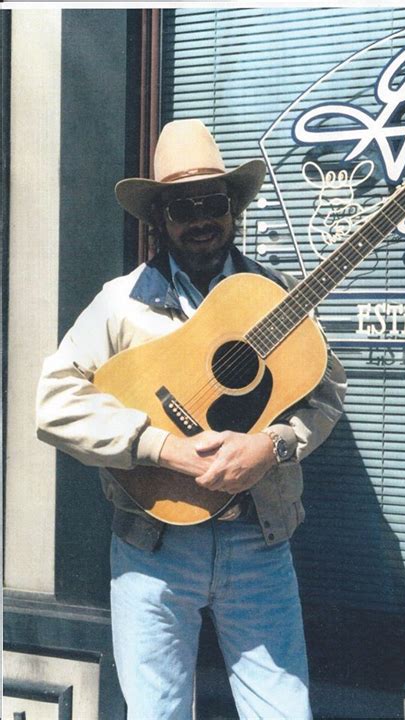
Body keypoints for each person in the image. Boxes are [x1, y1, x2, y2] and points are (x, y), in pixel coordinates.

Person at [36, 119, 347, 720]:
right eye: (183, 206)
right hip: (152, 547)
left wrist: (276, 446)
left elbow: (326, 393)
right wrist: (156, 446)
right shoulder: (120, 301)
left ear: (234, 208)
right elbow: (54, 402)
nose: (201, 218)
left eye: (214, 201)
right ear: (160, 218)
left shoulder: (277, 296)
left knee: (284, 712)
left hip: (260, 539)